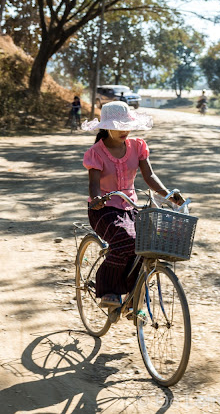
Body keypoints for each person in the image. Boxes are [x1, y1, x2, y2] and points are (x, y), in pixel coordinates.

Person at [81, 101, 184, 307]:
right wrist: (97, 200)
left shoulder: (137, 146)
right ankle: (108, 289)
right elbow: (93, 184)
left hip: (131, 208)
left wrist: (168, 194)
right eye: (118, 127)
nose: (124, 131)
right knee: (125, 240)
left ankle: (133, 295)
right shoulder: (96, 152)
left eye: (126, 125)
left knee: (148, 244)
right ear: (106, 127)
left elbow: (150, 176)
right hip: (104, 211)